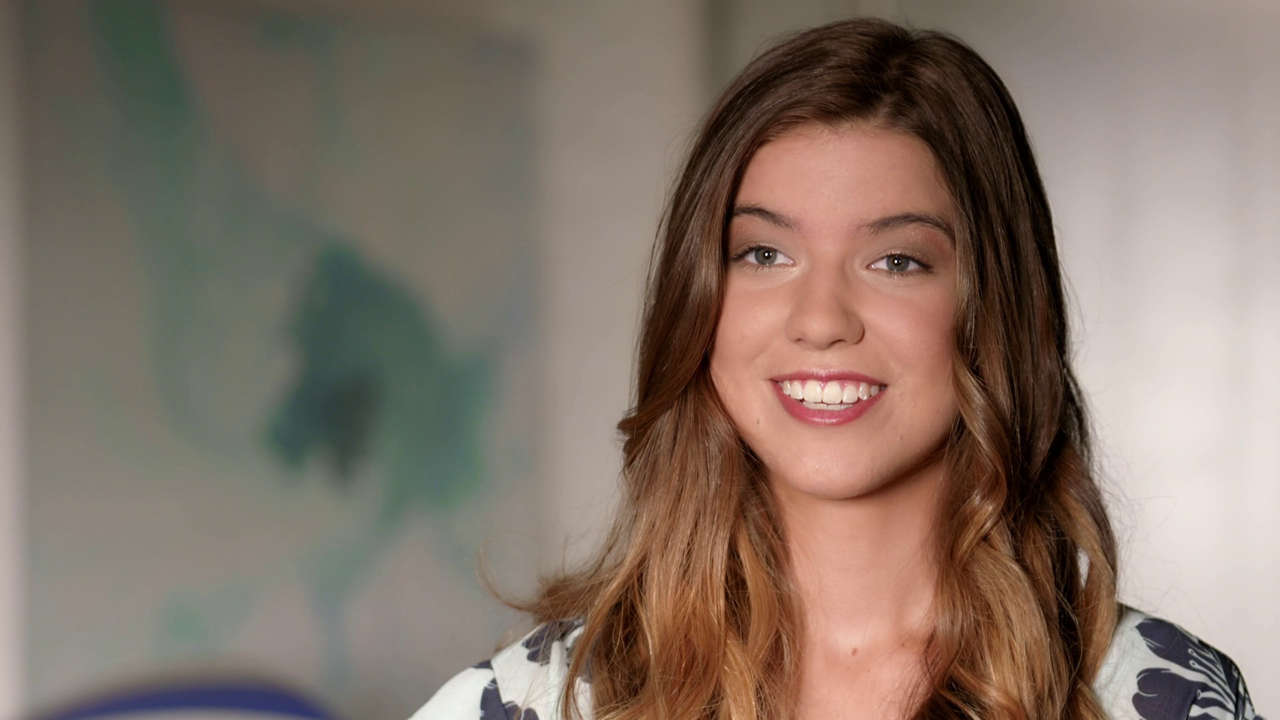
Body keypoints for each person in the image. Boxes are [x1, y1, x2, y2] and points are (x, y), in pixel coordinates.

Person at [413, 17, 1262, 720]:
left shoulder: (1165, 696)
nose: (820, 320)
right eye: (763, 254)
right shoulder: (529, 702)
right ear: (698, 299)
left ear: (994, 307)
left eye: (896, 261)